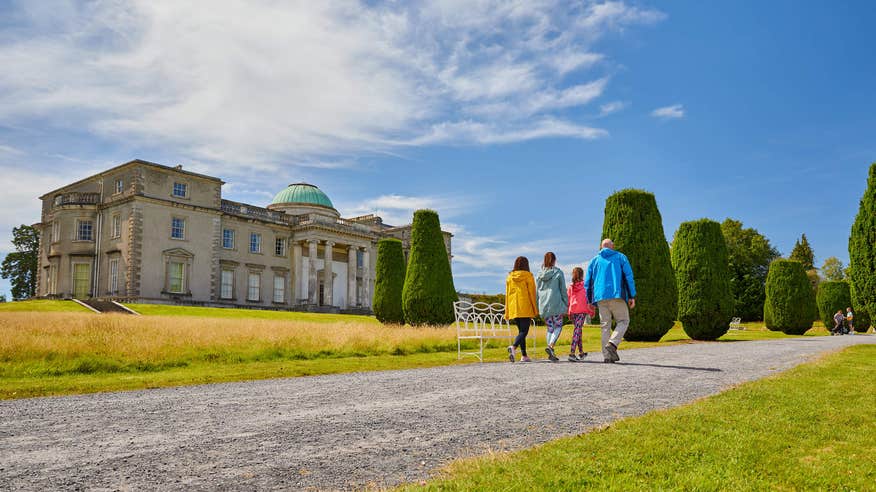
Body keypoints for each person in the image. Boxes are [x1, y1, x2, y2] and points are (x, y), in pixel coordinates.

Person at [584, 238, 636, 363]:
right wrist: (632, 295)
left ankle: (607, 357)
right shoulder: (620, 257)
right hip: (617, 295)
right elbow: (629, 276)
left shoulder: (594, 261)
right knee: (624, 320)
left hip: (600, 297)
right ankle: (613, 343)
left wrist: (589, 301)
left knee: (605, 326)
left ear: (601, 247)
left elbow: (588, 282)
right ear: (612, 246)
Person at [505, 256, 538, 362]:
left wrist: (507, 311)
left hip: (513, 306)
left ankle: (524, 355)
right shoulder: (528, 276)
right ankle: (513, 347)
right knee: (524, 331)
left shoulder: (510, 277)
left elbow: (507, 295)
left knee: (521, 331)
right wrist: (534, 308)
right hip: (525, 305)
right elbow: (532, 294)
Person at [536, 252, 568, 362]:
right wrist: (566, 303)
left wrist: (537, 305)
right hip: (556, 304)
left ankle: (551, 352)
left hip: (544, 304)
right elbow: (563, 289)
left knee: (550, 329)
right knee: (558, 326)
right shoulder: (558, 272)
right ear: (554, 260)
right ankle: (550, 346)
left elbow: (537, 292)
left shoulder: (539, 274)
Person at [567, 266, 595, 361]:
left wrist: (569, 312)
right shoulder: (585, 286)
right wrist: (591, 311)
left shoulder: (571, 286)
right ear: (582, 275)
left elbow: (569, 300)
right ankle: (571, 353)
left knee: (578, 331)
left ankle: (581, 353)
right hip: (581, 310)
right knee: (577, 331)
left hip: (573, 310)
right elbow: (588, 300)